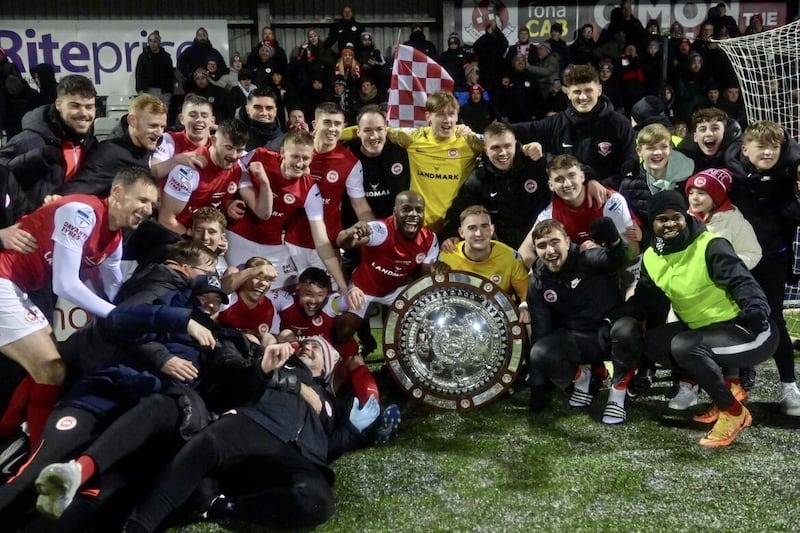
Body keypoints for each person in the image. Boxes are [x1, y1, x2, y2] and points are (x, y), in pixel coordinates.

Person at [118, 338, 377, 532]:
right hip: (254, 425)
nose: (309, 347)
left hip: (298, 458)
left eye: (317, 349)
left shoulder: (329, 404)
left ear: (327, 368)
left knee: (317, 503)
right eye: (307, 344)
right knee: (208, 443)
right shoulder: (280, 365)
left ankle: (223, 506)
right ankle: (138, 526)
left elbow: (327, 449)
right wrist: (269, 373)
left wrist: (352, 431)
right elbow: (238, 389)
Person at [0, 167, 159, 448]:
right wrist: (118, 315)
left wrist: (146, 316)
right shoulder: (82, 212)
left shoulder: (114, 243)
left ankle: (8, 432)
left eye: (152, 205)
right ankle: (39, 454)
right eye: (142, 200)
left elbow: (113, 292)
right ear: (118, 194)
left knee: (47, 365)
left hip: (15, 287)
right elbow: (65, 284)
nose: (148, 210)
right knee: (51, 369)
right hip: (3, 279)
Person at [629, 191, 778, 446]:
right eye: (661, 219)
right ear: (652, 223)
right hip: (709, 331)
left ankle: (733, 412)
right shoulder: (653, 256)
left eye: (676, 217)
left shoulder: (710, 244)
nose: (670, 224)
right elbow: (645, 299)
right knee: (653, 342)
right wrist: (616, 318)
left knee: (685, 346)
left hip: (749, 329)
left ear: (686, 216)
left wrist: (756, 311)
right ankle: (728, 390)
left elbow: (742, 282)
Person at [526, 217, 640, 424]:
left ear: (567, 242)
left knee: (627, 328)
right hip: (579, 341)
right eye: (542, 246)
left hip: (611, 333)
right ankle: (585, 380)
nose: (550, 251)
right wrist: (538, 387)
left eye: (554, 242)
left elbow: (619, 258)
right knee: (540, 351)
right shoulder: (538, 282)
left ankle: (617, 395)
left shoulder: (588, 259)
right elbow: (540, 331)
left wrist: (615, 241)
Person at [724, 120, 800, 416]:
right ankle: (732, 384)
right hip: (738, 261)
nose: (768, 153)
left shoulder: (786, 177)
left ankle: (789, 387)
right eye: (761, 147)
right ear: (745, 149)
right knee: (732, 318)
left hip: (773, 259)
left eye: (774, 147)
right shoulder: (732, 176)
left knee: (774, 319)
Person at [225, 130, 355, 299]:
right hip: (238, 236)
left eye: (305, 158)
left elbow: (322, 242)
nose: (300, 164)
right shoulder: (260, 156)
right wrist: (228, 201)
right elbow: (228, 168)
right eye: (295, 156)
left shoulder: (310, 189)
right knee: (241, 290)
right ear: (282, 152)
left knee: (291, 289)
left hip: (272, 244)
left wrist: (342, 286)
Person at [332, 191, 440, 345]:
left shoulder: (430, 240)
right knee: (342, 331)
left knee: (413, 331)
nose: (413, 214)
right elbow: (343, 243)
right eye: (406, 209)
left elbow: (424, 281)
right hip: (363, 288)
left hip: (396, 290)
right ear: (395, 212)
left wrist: (422, 310)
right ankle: (349, 358)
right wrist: (351, 232)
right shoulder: (380, 230)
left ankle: (396, 364)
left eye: (418, 210)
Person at [284, 102, 374, 282]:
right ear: (315, 124)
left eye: (337, 124)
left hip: (327, 245)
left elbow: (360, 204)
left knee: (325, 301)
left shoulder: (349, 162)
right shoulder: (296, 149)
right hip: (290, 242)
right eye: (327, 122)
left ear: (344, 126)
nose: (332, 128)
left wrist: (378, 233)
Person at [514, 64, 637, 188]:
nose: (583, 97)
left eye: (588, 90)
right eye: (577, 92)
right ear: (568, 93)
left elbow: (629, 165)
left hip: (607, 196)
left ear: (599, 90)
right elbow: (514, 132)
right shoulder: (555, 124)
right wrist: (524, 147)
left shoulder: (619, 124)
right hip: (567, 198)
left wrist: (601, 188)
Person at [382, 91, 484, 233]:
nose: (447, 119)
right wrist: (339, 135)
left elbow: (501, 143)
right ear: (428, 116)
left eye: (451, 114)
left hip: (456, 227)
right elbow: (376, 130)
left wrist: (525, 148)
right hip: (420, 227)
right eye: (440, 114)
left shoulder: (470, 140)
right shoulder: (414, 138)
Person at [519, 154, 641, 268]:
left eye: (572, 176)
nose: (567, 184)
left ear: (582, 176)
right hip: (576, 271)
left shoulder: (611, 202)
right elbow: (524, 250)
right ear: (551, 185)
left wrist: (604, 254)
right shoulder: (550, 213)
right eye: (559, 179)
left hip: (614, 267)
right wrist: (543, 271)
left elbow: (633, 251)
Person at [442, 121, 549, 250]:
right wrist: (451, 235)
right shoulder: (478, 180)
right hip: (503, 251)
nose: (503, 152)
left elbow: (566, 168)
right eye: (495, 147)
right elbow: (458, 211)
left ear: (515, 145)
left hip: (542, 244)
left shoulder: (536, 163)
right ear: (485, 150)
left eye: (507, 146)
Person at [0, 75, 98, 207]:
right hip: (29, 224)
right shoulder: (30, 138)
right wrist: (33, 159)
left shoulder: (90, 144)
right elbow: (2, 172)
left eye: (89, 107)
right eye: (75, 106)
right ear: (58, 104)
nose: (84, 113)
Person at [56, 94, 167, 199]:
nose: (159, 133)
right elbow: (79, 187)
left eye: (162, 127)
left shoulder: (160, 144)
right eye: (153, 126)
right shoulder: (110, 153)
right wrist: (58, 199)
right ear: (132, 121)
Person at [439, 206, 530, 323]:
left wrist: (524, 307)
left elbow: (526, 295)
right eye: (472, 228)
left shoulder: (509, 256)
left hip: (499, 319)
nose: (479, 233)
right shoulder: (447, 256)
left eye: (484, 226)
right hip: (457, 318)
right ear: (461, 232)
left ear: (492, 229)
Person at [158, 118, 248, 235]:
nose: (234, 155)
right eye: (228, 148)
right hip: (179, 237)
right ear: (214, 141)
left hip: (207, 236)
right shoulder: (189, 170)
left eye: (239, 150)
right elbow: (166, 220)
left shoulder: (240, 166)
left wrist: (228, 204)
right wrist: (193, 239)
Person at [619, 123, 694, 235]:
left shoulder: (689, 178)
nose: (657, 152)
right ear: (639, 151)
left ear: (671, 148)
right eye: (650, 148)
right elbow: (633, 224)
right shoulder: (629, 185)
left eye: (663, 147)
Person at [150, 95, 215, 179]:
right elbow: (153, 172)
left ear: (212, 121)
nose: (199, 119)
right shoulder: (168, 140)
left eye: (204, 116)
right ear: (182, 119)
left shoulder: (217, 145)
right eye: (193, 115)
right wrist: (177, 160)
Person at [677, 107, 741, 171]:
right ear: (695, 137)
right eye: (703, 129)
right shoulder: (683, 160)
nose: (709, 133)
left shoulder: (737, 154)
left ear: (724, 133)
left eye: (715, 128)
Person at [234, 86, 285, 152]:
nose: (263, 113)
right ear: (247, 110)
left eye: (269, 108)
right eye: (258, 108)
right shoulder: (234, 136)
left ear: (275, 111)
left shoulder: (285, 140)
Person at [134, 30, 174, 109]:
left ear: (159, 42)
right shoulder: (143, 57)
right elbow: (138, 74)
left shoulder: (166, 57)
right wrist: (140, 90)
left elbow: (170, 75)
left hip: (163, 91)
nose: (153, 43)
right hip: (147, 90)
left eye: (155, 41)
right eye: (150, 41)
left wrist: (170, 91)